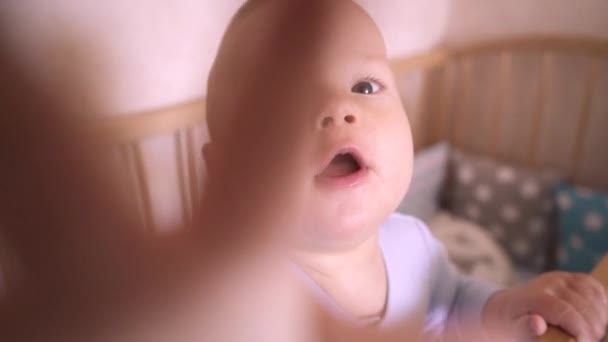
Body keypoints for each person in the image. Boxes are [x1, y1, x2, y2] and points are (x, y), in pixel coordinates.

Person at [203, 0, 608, 341]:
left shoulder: (413, 242)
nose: (339, 110)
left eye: (364, 87)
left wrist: (506, 308)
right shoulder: (237, 305)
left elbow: (451, 303)